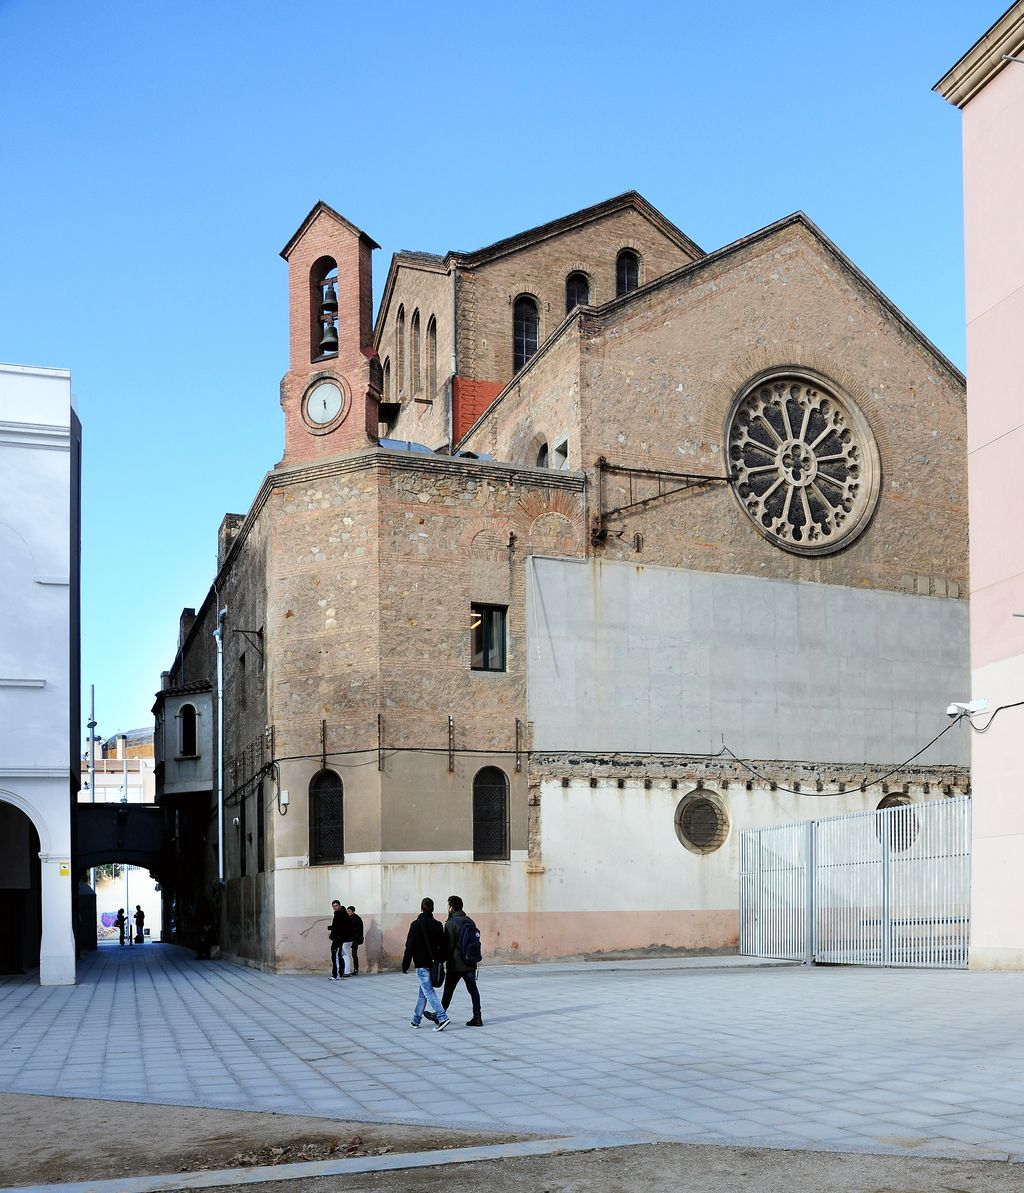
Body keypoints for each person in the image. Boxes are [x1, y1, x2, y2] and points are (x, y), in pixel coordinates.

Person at [425, 895, 483, 1028]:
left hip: (456, 965)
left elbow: (449, 946)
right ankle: (477, 1016)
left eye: (448, 906)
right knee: (473, 989)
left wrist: (441, 959)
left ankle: (440, 1015)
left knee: (448, 990)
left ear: (451, 907)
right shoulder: (470, 921)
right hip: (470, 962)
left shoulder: (451, 923)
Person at [401, 897, 450, 1030]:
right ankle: (416, 1020)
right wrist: (440, 960)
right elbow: (443, 945)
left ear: (421, 908)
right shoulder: (438, 925)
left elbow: (409, 946)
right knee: (423, 992)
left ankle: (442, 1017)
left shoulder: (416, 924)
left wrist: (405, 965)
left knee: (428, 991)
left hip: (421, 964)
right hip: (433, 963)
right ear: (432, 909)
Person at [327, 900, 351, 980]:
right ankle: (339, 974)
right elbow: (337, 926)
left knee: (336, 956)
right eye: (333, 906)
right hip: (337, 938)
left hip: (338, 939)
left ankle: (337, 975)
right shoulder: (338, 914)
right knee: (337, 956)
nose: (335, 907)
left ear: (339, 906)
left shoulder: (341, 914)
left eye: (336, 905)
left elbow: (342, 927)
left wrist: (333, 930)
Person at [347, 905, 364, 975]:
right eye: (347, 911)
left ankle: (356, 969)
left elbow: (360, 930)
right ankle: (345, 969)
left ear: (353, 911)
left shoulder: (357, 919)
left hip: (355, 939)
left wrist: (357, 939)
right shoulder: (347, 918)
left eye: (349, 911)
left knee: (354, 954)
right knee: (344, 953)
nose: (348, 912)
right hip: (348, 939)